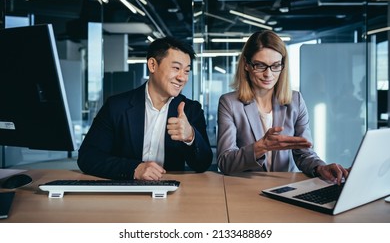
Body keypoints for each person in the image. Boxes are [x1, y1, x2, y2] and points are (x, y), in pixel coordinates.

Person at [217, 30, 348, 184]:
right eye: (260, 65)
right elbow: (225, 162)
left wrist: (321, 168)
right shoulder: (230, 103)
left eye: (275, 65)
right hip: (245, 188)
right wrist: (260, 147)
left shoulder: (296, 100)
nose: (268, 74)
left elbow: (304, 155)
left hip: (284, 188)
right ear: (246, 65)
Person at [78, 36, 213, 180]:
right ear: (152, 65)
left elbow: (202, 164)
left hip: (171, 193)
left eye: (186, 71)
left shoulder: (191, 110)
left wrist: (190, 136)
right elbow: (88, 157)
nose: (182, 78)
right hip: (124, 190)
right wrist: (134, 169)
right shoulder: (116, 106)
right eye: (176, 68)